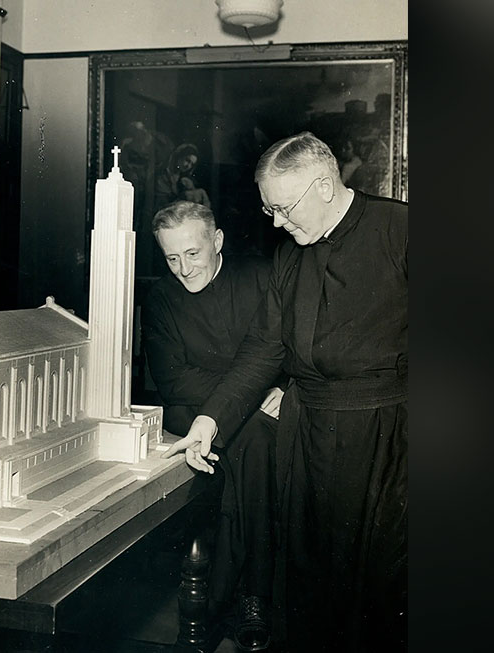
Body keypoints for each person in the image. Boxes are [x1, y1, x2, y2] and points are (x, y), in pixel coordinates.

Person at [163, 132, 411, 651]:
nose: (276, 222)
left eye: (283, 208)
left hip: (387, 439)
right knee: (305, 582)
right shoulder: (290, 257)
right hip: (307, 437)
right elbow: (262, 349)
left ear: (324, 185)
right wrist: (211, 419)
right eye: (268, 209)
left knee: (380, 588)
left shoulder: (400, 228)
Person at [143, 200, 282, 652]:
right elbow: (171, 377)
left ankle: (229, 601)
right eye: (171, 258)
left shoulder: (262, 278)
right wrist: (248, 392)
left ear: (217, 241)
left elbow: (287, 353)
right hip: (191, 410)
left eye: (193, 254)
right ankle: (252, 598)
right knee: (255, 440)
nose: (183, 269)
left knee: (258, 441)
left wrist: (272, 389)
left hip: (264, 408)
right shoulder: (161, 297)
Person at [154, 143, 212, 213]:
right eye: (187, 160)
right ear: (179, 156)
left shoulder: (186, 180)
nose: (188, 166)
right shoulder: (163, 176)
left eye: (192, 164)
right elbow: (161, 205)